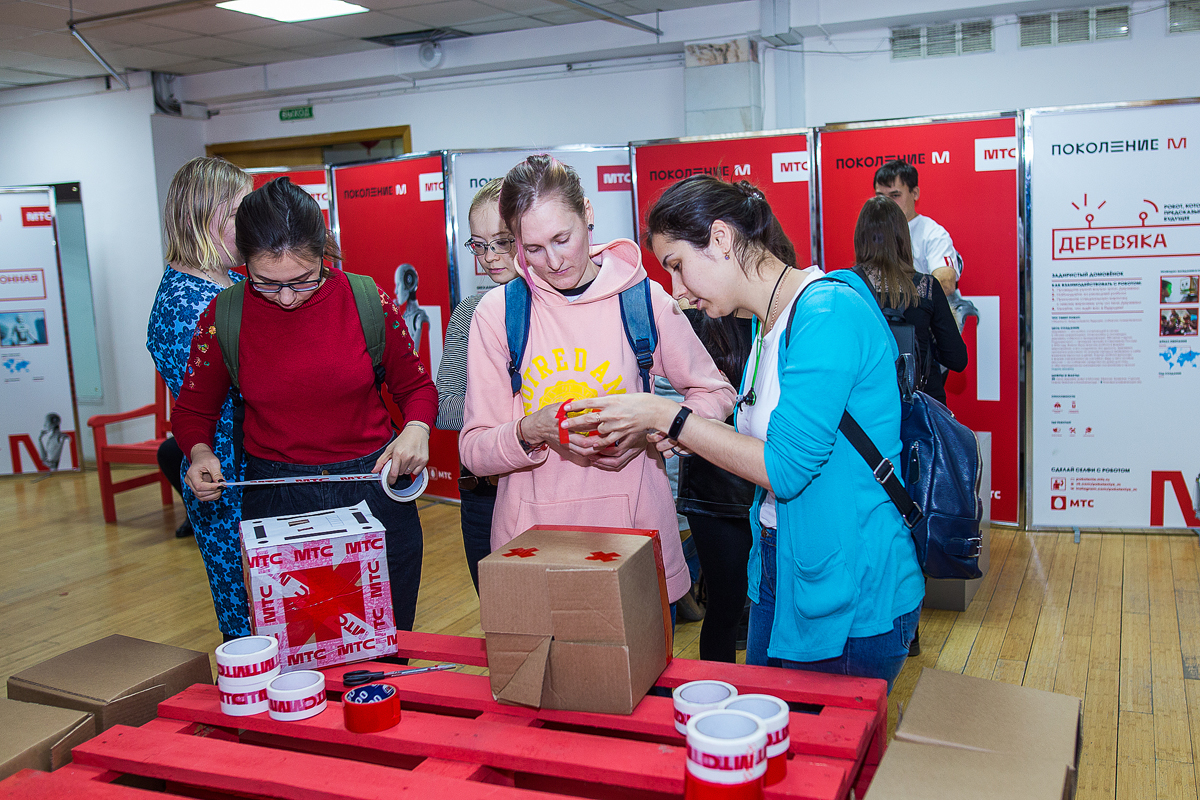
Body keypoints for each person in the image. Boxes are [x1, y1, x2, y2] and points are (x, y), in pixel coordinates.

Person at [564, 175, 923, 691]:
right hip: (781, 570)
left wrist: (671, 418)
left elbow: (784, 469)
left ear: (722, 239)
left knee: (828, 764)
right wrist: (684, 431)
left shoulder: (826, 314)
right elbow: (762, 438)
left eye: (678, 266)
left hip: (852, 589)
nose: (678, 292)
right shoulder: (766, 324)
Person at [459, 155, 735, 610]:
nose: (553, 261)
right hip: (532, 546)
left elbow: (715, 391)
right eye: (532, 249)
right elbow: (474, 450)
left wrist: (665, 427)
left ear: (587, 213)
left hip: (633, 536)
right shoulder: (498, 314)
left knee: (640, 680)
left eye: (562, 239)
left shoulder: (641, 298)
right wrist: (531, 431)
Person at [172, 177, 437, 640]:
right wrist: (198, 453)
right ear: (244, 262)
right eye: (267, 284)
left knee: (383, 647)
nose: (289, 297)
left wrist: (416, 428)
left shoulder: (365, 300)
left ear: (324, 254)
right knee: (299, 653)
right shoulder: (225, 315)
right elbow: (193, 410)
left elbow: (416, 385)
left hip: (372, 489)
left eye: (304, 280)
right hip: (277, 496)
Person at [146, 156, 251, 633]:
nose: (250, 226)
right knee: (247, 610)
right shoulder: (182, 302)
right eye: (239, 213)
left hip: (260, 467)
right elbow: (212, 402)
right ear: (207, 217)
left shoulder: (231, 278)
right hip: (226, 476)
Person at [436, 178, 519, 593]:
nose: (489, 257)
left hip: (546, 486)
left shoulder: (564, 308)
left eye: (502, 242)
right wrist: (520, 412)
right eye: (479, 245)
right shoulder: (469, 313)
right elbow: (446, 407)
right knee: (502, 622)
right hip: (482, 493)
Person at [677, 310, 756, 662]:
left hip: (775, 483)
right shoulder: (694, 320)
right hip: (713, 489)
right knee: (726, 604)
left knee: (773, 605)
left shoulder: (785, 319)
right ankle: (717, 705)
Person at [852, 196, 968, 406]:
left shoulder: (846, 287)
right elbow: (957, 359)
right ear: (904, 238)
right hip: (919, 411)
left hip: (866, 411)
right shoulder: (927, 287)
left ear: (860, 238)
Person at [873, 159, 977, 327]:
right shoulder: (873, 234)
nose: (886, 204)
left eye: (895, 195)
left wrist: (900, 295)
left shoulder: (933, 234)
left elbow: (945, 283)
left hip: (924, 327)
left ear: (915, 193)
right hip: (885, 325)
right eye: (880, 197)